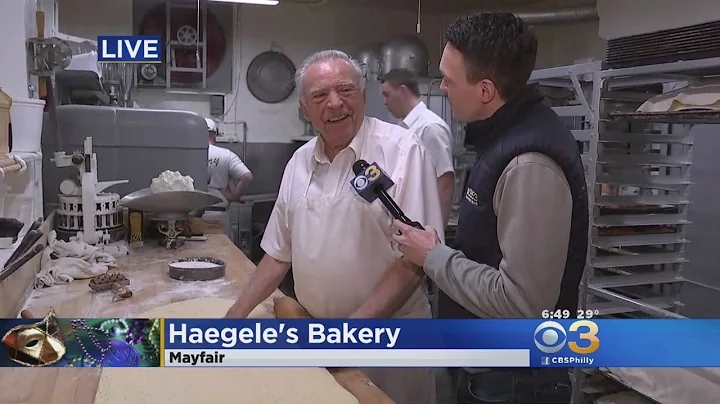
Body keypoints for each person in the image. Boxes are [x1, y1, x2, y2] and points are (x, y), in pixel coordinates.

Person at [391, 12, 589, 403]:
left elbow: (522, 303)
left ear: (485, 90)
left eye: (449, 79)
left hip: (514, 380)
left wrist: (434, 258)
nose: (442, 87)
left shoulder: (528, 162)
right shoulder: (501, 138)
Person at [224, 50, 443, 404]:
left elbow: (414, 261)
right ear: (304, 109)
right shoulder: (299, 162)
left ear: (364, 96)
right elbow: (279, 253)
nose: (335, 103)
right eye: (320, 95)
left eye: (345, 90)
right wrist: (235, 315)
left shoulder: (402, 151)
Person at [380, 68, 455, 226]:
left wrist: (436, 233)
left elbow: (445, 181)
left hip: (424, 224)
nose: (384, 102)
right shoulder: (406, 127)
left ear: (402, 91)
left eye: (387, 94)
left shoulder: (429, 128)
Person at [204, 117, 254, 237]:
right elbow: (246, 177)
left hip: (195, 215)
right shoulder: (226, 155)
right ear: (215, 135)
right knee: (224, 252)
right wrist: (234, 197)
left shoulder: (189, 154)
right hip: (219, 213)